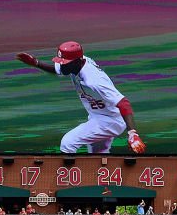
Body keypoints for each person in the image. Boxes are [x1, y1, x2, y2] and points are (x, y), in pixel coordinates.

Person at [16, 41, 145, 154]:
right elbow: (58, 69)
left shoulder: (94, 80)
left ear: (78, 61)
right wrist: (36, 63)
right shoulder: (76, 62)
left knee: (68, 143)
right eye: (61, 61)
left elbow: (124, 103)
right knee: (98, 156)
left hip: (110, 121)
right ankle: (101, 180)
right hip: (99, 116)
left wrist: (132, 133)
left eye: (65, 63)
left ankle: (66, 179)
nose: (62, 65)